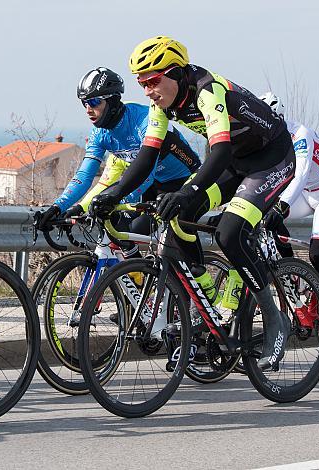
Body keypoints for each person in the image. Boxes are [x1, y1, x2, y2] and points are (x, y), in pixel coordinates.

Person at [91, 36, 297, 371]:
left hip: (270, 160)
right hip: (234, 162)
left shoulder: (208, 89)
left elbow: (220, 151)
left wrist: (189, 190)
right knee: (178, 218)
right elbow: (146, 156)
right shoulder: (162, 105)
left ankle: (274, 319)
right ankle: (208, 305)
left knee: (229, 233)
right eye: (142, 83)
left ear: (175, 73)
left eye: (153, 81)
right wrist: (112, 194)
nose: (147, 91)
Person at [36, 67, 200, 254]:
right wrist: (59, 206)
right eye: (84, 103)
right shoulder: (100, 133)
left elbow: (146, 173)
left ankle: (194, 279)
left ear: (113, 100)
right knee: (125, 232)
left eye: (94, 102)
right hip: (153, 185)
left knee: (162, 243)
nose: (89, 109)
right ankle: (136, 274)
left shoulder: (143, 121)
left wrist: (113, 201)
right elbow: (84, 176)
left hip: (184, 182)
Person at [258, 92, 319, 351]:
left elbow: (301, 173)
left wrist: (282, 205)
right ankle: (292, 275)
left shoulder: (300, 133)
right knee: (267, 221)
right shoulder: (267, 139)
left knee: (318, 254)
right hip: (306, 196)